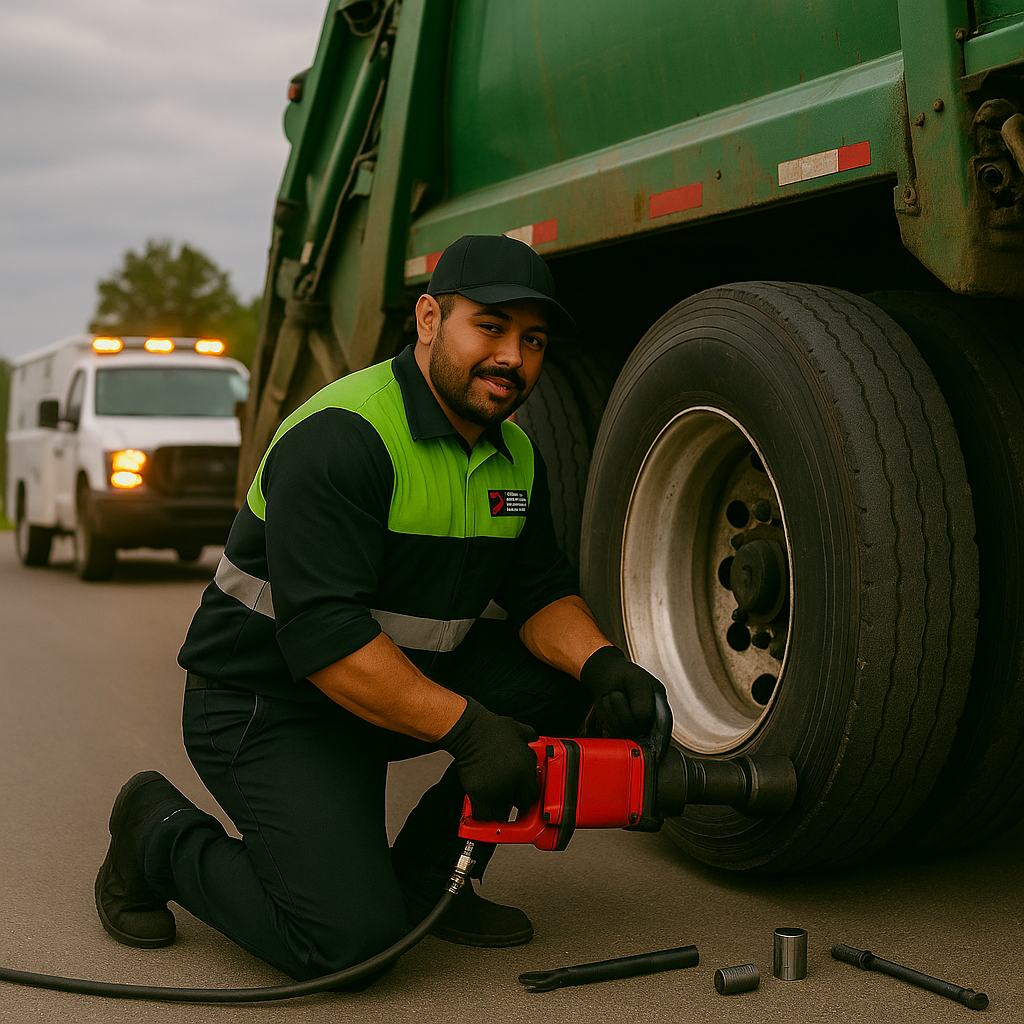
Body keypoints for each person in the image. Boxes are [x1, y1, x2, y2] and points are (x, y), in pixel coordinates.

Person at [94, 233, 665, 982]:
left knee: (564, 684)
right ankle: (156, 834)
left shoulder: (513, 455)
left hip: (389, 683)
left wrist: (605, 666)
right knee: (348, 945)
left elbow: (537, 590)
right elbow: (328, 639)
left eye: (532, 340)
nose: (512, 359)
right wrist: (468, 730)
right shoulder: (345, 437)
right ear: (429, 320)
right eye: (489, 328)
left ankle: (431, 875)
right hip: (268, 701)